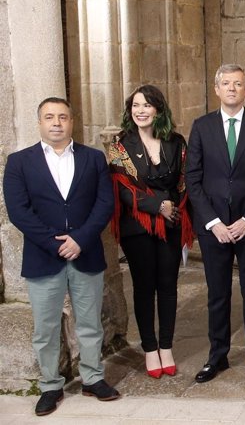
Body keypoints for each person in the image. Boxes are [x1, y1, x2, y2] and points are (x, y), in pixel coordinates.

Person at [3, 97, 119, 416]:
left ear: (72, 121)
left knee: (90, 322)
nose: (56, 122)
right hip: (44, 257)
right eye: (49, 117)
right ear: (39, 122)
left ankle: (93, 378)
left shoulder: (93, 159)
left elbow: (104, 204)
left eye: (63, 117)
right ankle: (51, 385)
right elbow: (19, 212)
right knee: (46, 327)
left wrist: (80, 239)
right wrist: (57, 244)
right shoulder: (19, 162)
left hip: (86, 252)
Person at [186, 64, 245, 384]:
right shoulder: (201, 126)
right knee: (217, 294)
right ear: (217, 89)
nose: (231, 89)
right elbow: (192, 180)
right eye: (225, 83)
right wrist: (213, 222)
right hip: (214, 228)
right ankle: (218, 356)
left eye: (238, 84)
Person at [108, 85, 193, 379]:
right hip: (138, 225)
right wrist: (158, 205)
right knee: (144, 287)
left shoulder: (176, 142)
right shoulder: (119, 145)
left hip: (171, 222)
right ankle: (149, 348)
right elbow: (121, 187)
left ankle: (166, 347)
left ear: (158, 109)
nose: (140, 110)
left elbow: (184, 180)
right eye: (135, 106)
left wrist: (174, 208)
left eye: (146, 105)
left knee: (168, 286)